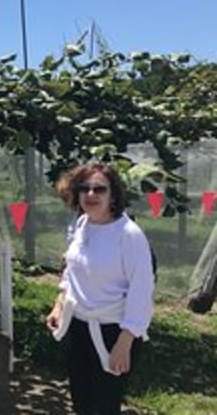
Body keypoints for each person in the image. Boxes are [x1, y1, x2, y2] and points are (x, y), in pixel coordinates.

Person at [46, 163, 154, 415]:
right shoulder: (81, 223)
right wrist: (60, 304)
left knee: (104, 406)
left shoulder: (129, 234)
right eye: (84, 188)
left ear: (113, 195)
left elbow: (142, 290)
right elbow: (72, 270)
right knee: (81, 401)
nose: (91, 195)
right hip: (79, 326)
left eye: (99, 189)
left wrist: (125, 341)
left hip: (113, 332)